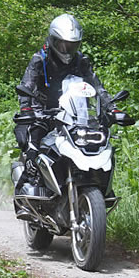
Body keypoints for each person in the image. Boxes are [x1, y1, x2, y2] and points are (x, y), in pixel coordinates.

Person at [14, 13, 118, 196]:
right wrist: (26, 111)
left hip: (77, 112)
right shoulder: (40, 60)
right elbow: (26, 86)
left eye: (72, 45)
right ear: (53, 41)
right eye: (62, 44)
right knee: (31, 143)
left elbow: (97, 87)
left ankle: (100, 187)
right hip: (44, 112)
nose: (66, 49)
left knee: (99, 142)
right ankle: (26, 189)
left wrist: (112, 108)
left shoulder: (81, 61)